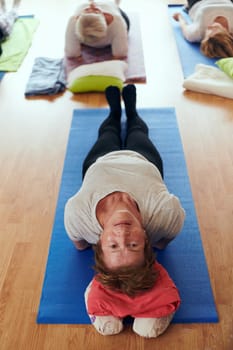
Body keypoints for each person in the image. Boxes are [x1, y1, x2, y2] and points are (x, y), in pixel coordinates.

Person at [64, 84, 185, 337]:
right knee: (137, 130)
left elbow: (78, 243)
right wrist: (160, 243)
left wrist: (83, 245)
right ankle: (130, 110)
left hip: (101, 162)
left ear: (99, 242)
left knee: (107, 131)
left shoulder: (79, 216)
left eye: (113, 247)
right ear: (145, 240)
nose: (122, 236)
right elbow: (165, 239)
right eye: (133, 246)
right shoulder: (164, 216)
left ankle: (114, 112)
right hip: (143, 160)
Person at [64, 0, 129, 60]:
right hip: (89, 34)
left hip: (109, 7)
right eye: (87, 10)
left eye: (94, 11)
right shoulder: (73, 21)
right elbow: (72, 54)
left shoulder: (117, 21)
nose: (92, 5)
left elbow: (120, 55)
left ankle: (116, 4)